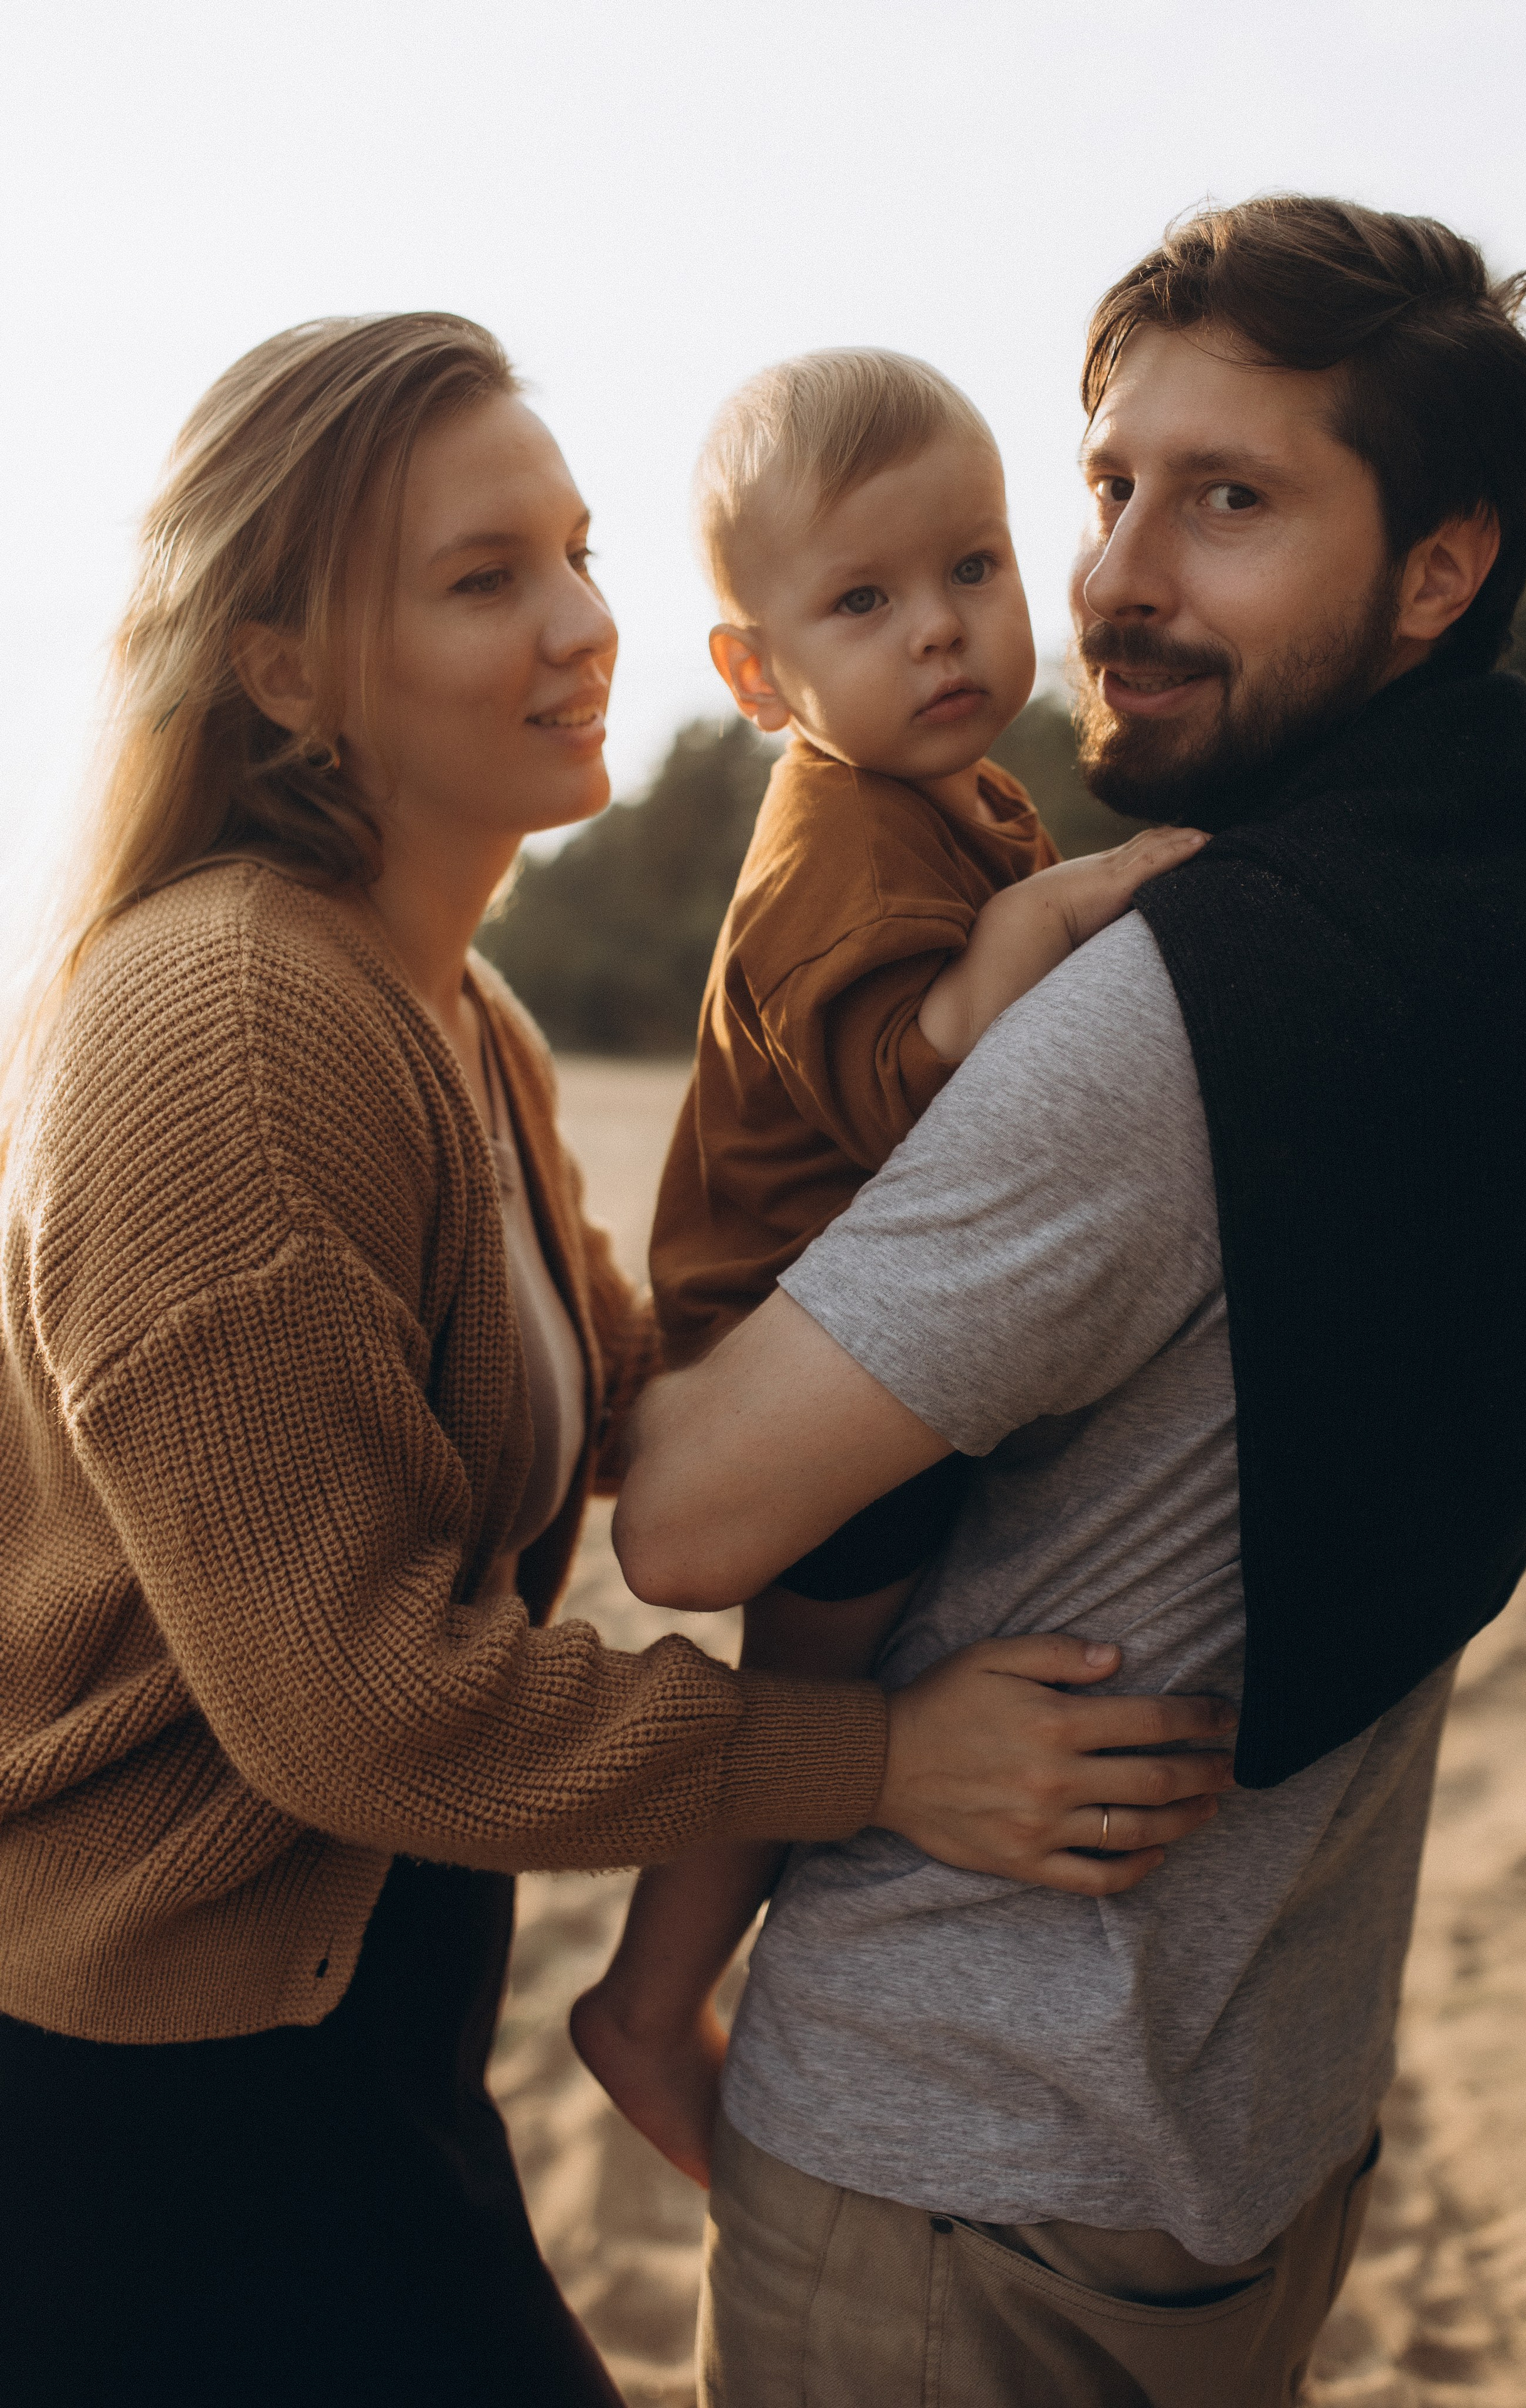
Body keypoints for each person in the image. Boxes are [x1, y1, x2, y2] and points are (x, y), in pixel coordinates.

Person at [0, 313, 1238, 2408]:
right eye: (487, 581)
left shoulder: (452, 1010)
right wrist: (890, 1758)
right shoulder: (224, 1033)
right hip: (139, 2101)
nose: (585, 624)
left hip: (360, 2036)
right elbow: (362, 1704)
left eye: (575, 553)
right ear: (285, 669)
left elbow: (629, 1390)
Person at [614, 198, 1526, 2407]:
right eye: (1110, 486)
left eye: (1230, 502)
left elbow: (683, 1532)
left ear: (1442, 570)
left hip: (960, 2178)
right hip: (1257, 2143)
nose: (1116, 580)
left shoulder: (1174, 1010)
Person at [571, 347, 1205, 2184]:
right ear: (760, 678)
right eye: (864, 602)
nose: (942, 633)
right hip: (781, 1329)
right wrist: (1044, 916)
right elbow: (917, 1081)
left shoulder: (948, 792)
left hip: (856, 1306)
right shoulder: (830, 848)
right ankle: (645, 1995)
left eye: (974, 571)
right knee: (814, 1681)